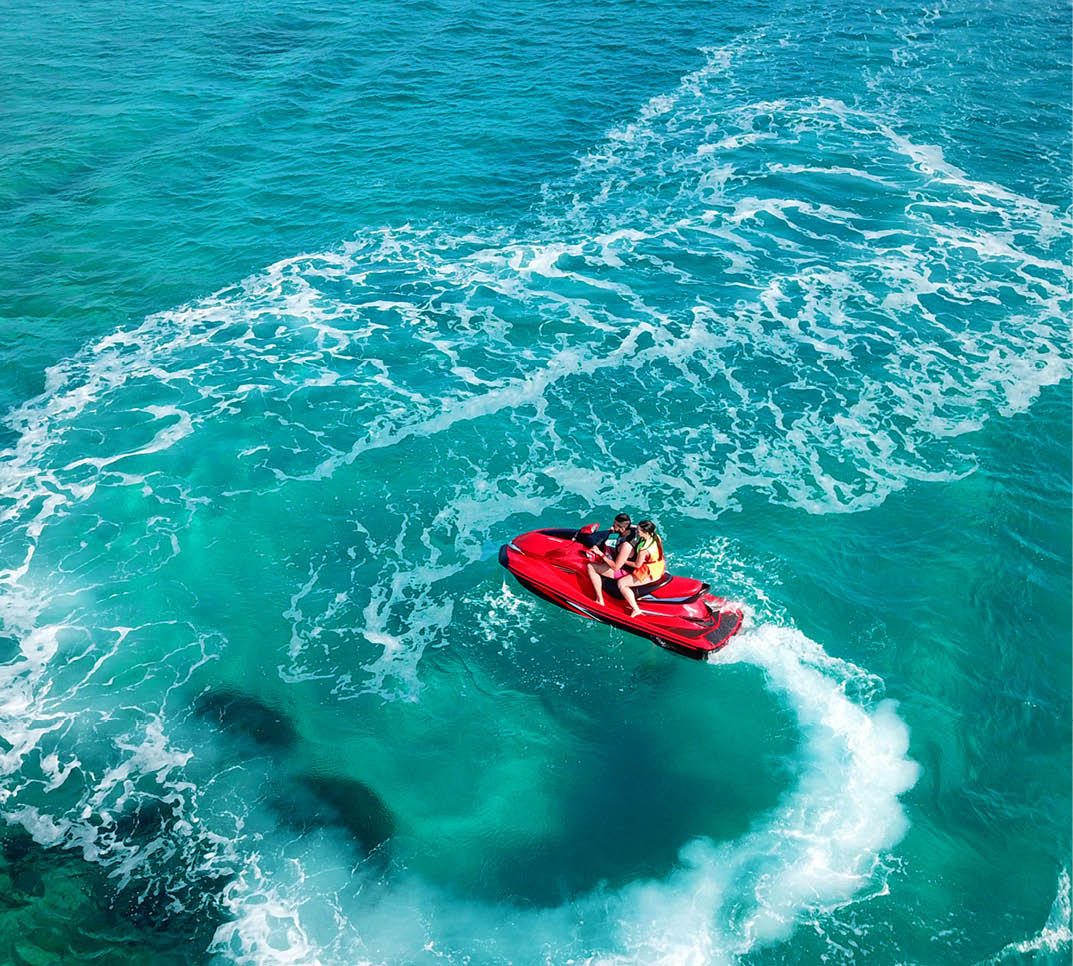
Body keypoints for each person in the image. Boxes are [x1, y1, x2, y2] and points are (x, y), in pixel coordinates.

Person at [586, 513, 640, 607]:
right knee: (607, 548)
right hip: (622, 556)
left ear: (622, 529)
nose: (612, 526)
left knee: (591, 567)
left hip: (626, 570)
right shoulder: (633, 529)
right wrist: (611, 531)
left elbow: (615, 567)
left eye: (615, 525)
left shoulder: (626, 546)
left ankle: (599, 600)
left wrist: (600, 553)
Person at [617, 520, 665, 618]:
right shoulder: (655, 536)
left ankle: (636, 609)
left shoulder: (644, 550)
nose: (637, 532)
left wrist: (623, 560)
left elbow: (637, 565)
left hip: (650, 571)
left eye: (638, 531)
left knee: (622, 583)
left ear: (645, 532)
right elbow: (637, 528)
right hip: (659, 565)